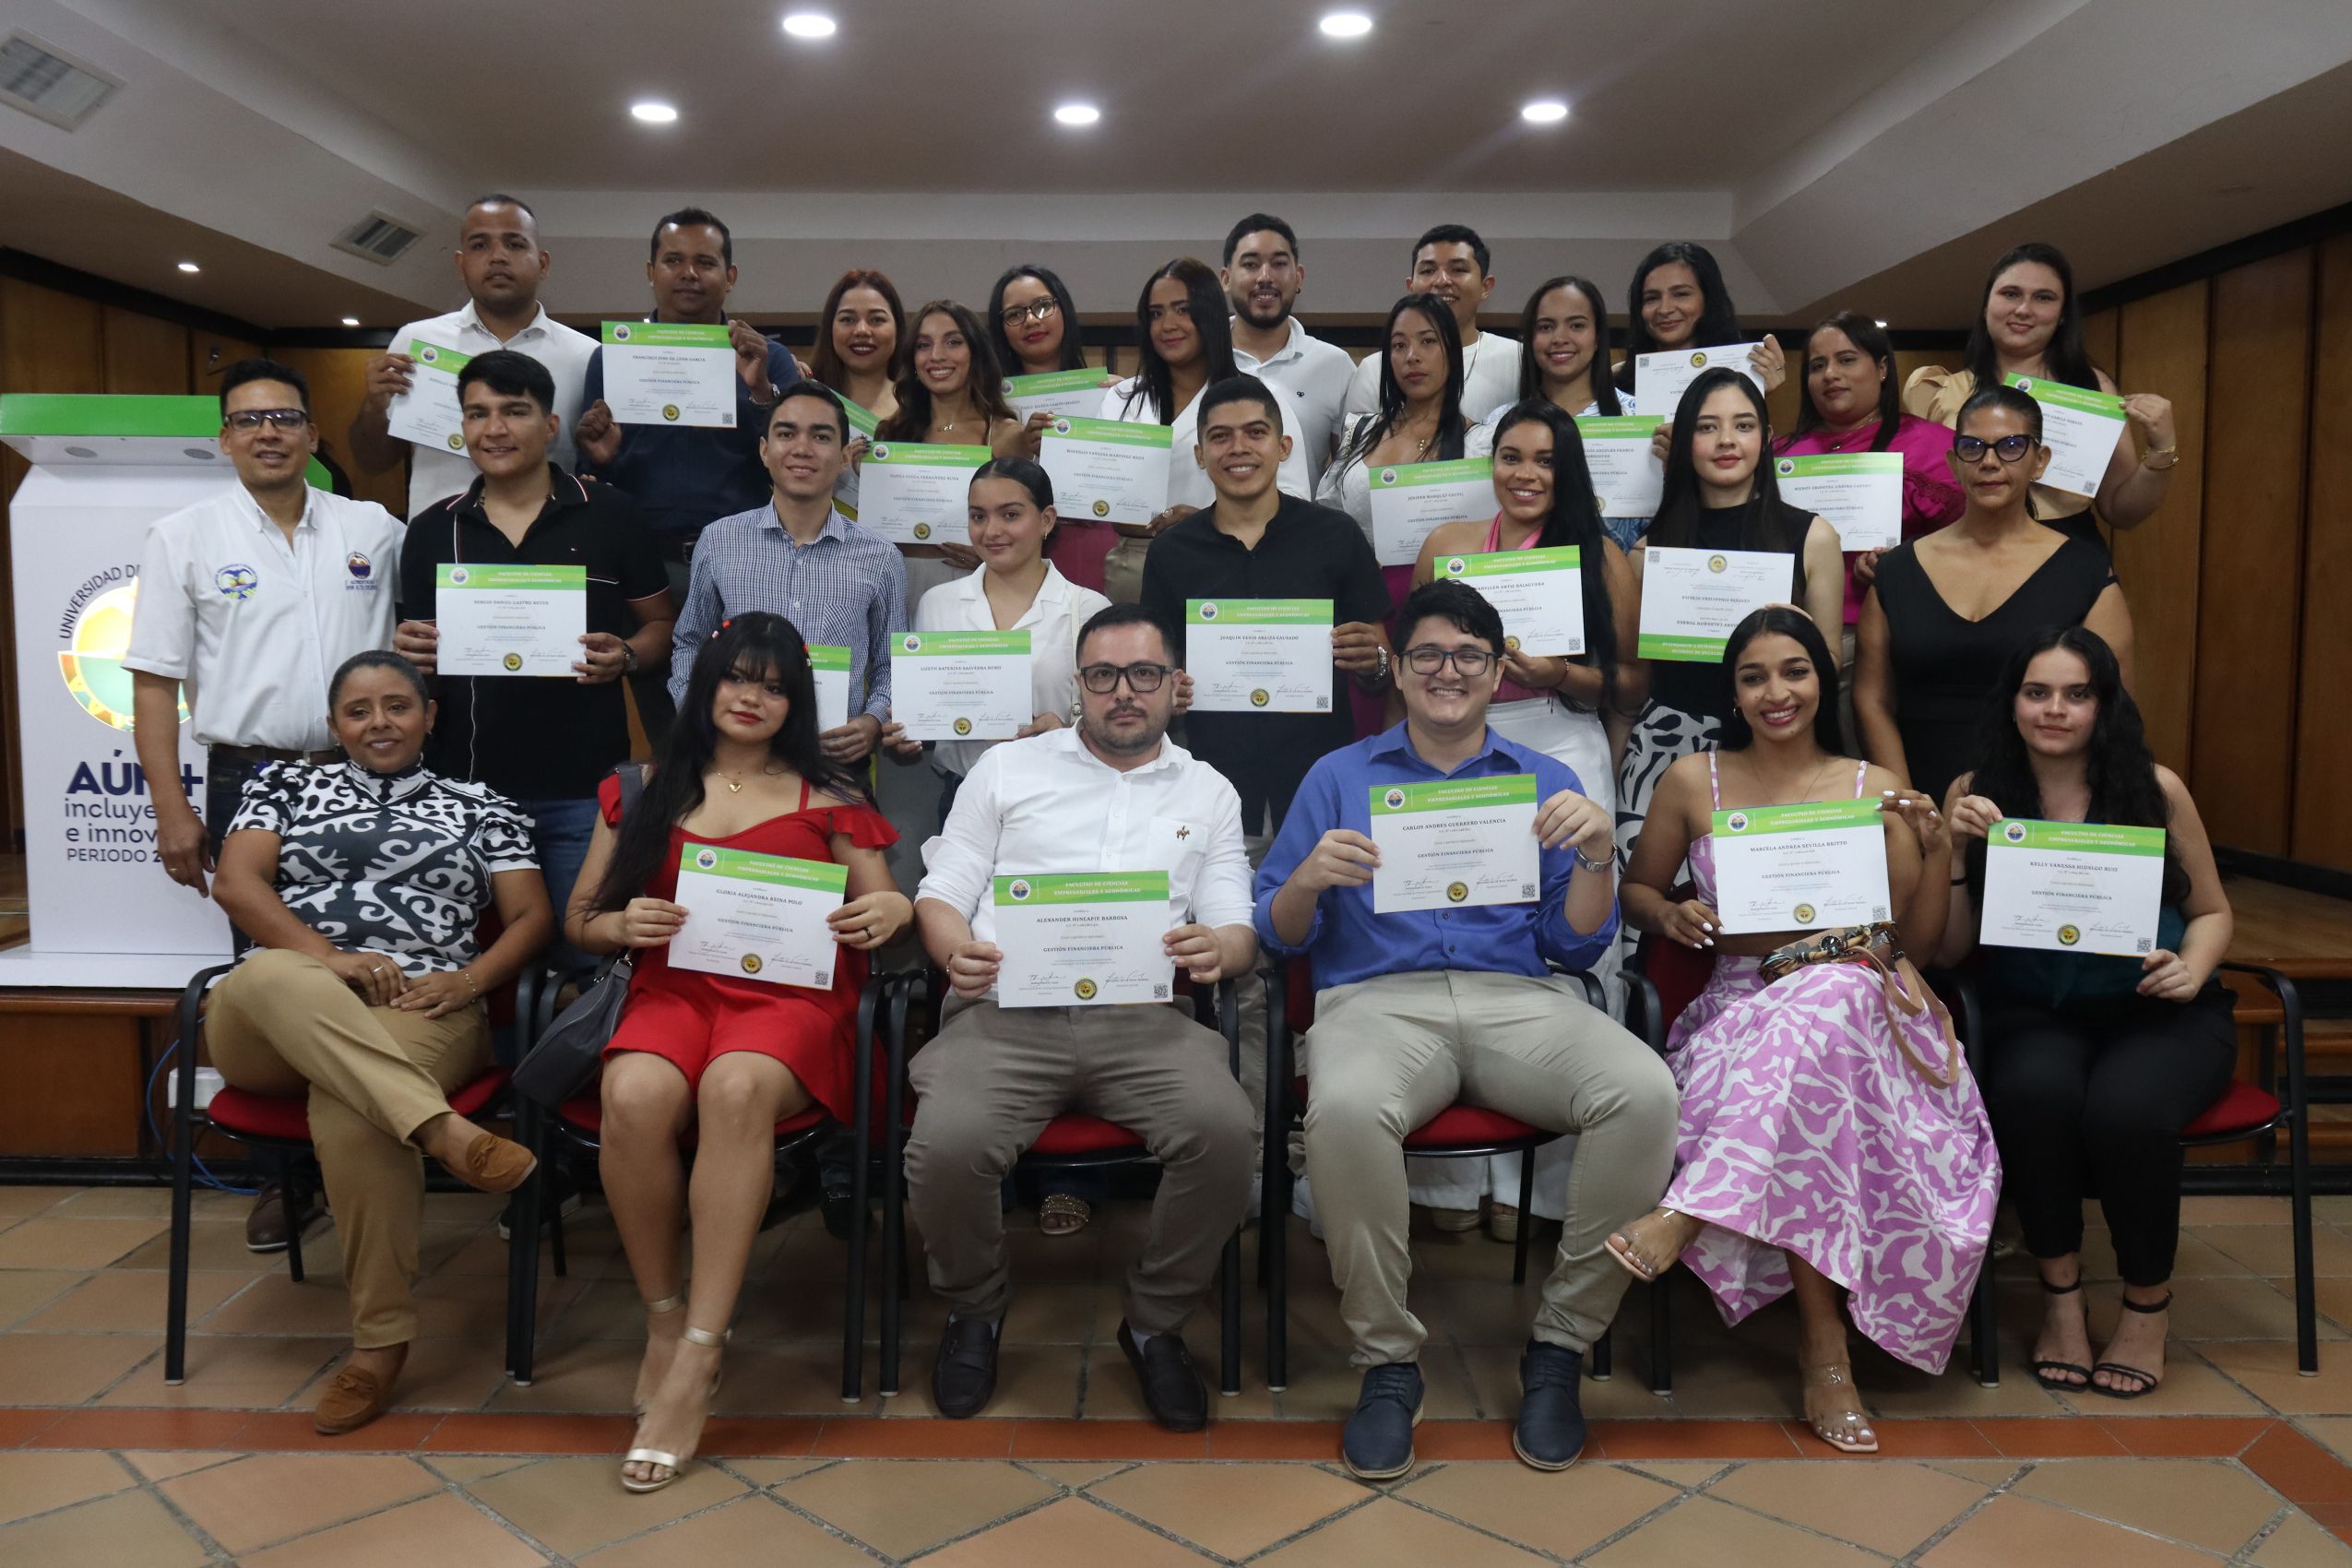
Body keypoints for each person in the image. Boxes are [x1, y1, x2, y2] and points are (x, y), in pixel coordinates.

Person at [1255, 578, 1675, 1478]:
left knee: (1643, 1092)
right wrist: (1306, 881)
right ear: (1399, 672)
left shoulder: (1548, 781)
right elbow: (1277, 933)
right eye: (1429, 655)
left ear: (1496, 672)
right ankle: (1387, 1360)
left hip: (1515, 996)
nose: (1449, 671)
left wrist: (1600, 849)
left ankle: (1561, 1344)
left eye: (1469, 656)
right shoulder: (1339, 776)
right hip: (1375, 1001)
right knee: (1347, 1106)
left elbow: (1577, 940)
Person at [1612, 608, 1998, 1455]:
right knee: (1817, 1026)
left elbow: (1918, 948)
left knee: (1836, 993)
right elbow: (1636, 893)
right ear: (1735, 694)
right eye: (1754, 677)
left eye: (1794, 671)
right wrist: (1671, 914)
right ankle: (1825, 1355)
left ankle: (1689, 1211)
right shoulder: (1691, 782)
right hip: (1740, 1019)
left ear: (1823, 680)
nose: (1776, 691)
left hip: (1872, 1014)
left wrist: (1936, 854)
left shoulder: (1874, 785)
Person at [567, 613, 909, 1491]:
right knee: (636, 1095)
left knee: (733, 1089)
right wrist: (619, 922)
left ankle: (699, 1357)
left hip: (789, 999)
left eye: (774, 686)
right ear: (707, 684)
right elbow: (580, 920)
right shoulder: (643, 787)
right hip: (672, 990)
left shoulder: (831, 797)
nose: (753, 698)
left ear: (795, 702)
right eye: (737, 679)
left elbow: (887, 915)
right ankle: (661, 1315)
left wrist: (891, 914)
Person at [905, 602, 1259, 1432]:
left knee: (1227, 1131)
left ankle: (1154, 1322)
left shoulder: (1208, 791)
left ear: (1176, 686)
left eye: (1142, 675)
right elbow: (942, 890)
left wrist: (1221, 951)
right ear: (1079, 688)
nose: (1123, 693)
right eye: (1103, 677)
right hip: (1004, 1012)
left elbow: (1234, 918)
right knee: (947, 1145)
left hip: (1145, 1020)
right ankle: (976, 1309)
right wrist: (954, 949)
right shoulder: (1008, 769)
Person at [206, 650, 551, 1433]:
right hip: (274, 1019)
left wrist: (467, 983)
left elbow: (531, 917)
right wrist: (329, 960)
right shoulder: (283, 784)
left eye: (398, 706)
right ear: (335, 725)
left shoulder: (482, 804)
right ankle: (439, 1130)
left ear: (430, 716)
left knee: (356, 1108)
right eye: (358, 711)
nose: (379, 723)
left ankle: (377, 1349)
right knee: (264, 975)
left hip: (423, 1005)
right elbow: (237, 883)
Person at [125, 356, 405, 1255]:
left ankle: (373, 1154)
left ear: (314, 435)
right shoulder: (185, 536)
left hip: (370, 773)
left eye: (285, 417)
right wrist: (172, 809)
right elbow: (155, 685)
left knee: (380, 960)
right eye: (248, 421)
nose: (269, 432)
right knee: (272, 982)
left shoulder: (373, 527)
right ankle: (287, 1179)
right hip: (253, 778)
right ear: (225, 439)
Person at [1934, 625, 2234, 1402]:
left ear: (2105, 704)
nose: (2055, 710)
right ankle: (2062, 1298)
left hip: (2156, 1009)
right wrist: (1955, 857)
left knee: (2127, 1112)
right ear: (2014, 703)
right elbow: (1949, 947)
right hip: (2038, 1009)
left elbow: (2212, 913)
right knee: (2036, 1097)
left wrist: (2192, 969)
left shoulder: (2155, 788)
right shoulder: (1976, 791)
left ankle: (2146, 1305)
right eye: (2038, 692)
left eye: (2077, 693)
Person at [1403, 399, 1645, 1239]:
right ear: (1492, 462)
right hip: (1452, 747)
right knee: (1464, 931)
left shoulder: (1600, 554)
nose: (1526, 474)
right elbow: (1414, 658)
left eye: (1544, 459)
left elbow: (1630, 686)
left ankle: (1538, 1192)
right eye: (1511, 456)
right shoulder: (1449, 546)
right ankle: (1451, 1188)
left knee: (1562, 948)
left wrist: (1557, 674)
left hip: (1558, 749)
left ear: (1566, 469)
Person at [390, 348, 672, 967]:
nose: (494, 429)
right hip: (466, 795)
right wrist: (408, 653)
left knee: (586, 966)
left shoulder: (612, 515)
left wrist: (625, 653)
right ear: (460, 427)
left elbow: (661, 630)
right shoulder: (433, 531)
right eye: (477, 413)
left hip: (585, 794)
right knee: (472, 967)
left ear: (549, 426)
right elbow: (414, 665)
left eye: (514, 411)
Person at [1612, 370, 1842, 910]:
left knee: (1775, 909)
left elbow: (1831, 664)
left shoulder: (1812, 535)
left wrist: (1796, 633)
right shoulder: (1648, 552)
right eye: (1707, 427)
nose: (1726, 442)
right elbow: (1632, 681)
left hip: (1780, 750)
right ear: (1683, 440)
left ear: (1764, 438)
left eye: (1742, 425)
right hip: (1664, 749)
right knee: (1654, 918)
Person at [1855, 384, 2134, 810]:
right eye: (1972, 447)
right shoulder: (1896, 572)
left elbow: (2114, 705)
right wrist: (1909, 803)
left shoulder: (2086, 573)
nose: (1989, 461)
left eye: (2010, 446)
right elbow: (1872, 699)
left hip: (2042, 803)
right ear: (1953, 462)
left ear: (2040, 461)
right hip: (1917, 789)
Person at [1140, 375, 1394, 842]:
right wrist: (1165, 692)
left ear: (1283, 447)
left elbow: (1380, 665)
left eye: (1255, 433)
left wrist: (1373, 661)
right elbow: (1157, 667)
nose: (1239, 448)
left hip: (1318, 774)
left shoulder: (1335, 536)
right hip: (1211, 778)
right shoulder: (1171, 552)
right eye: (1220, 436)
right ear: (1200, 455)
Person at [670, 382, 907, 778]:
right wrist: (695, 710)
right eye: (786, 433)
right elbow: (689, 642)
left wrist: (872, 720)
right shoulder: (719, 541)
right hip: (731, 756)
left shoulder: (881, 557)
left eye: (821, 436)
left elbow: (891, 665)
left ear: (845, 456)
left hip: (834, 763)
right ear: (764, 450)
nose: (802, 448)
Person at [574, 208, 803, 587]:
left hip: (744, 561)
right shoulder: (611, 357)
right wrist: (601, 460)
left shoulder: (767, 357)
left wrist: (762, 392)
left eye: (705, 262)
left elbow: (794, 459)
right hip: (639, 560)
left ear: (729, 277)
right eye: (673, 260)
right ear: (651, 272)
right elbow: (591, 475)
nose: (689, 273)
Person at [1903, 243, 2179, 545]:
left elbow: (2120, 510)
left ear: (2062, 315)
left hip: (2067, 556)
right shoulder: (1939, 391)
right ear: (1986, 306)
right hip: (1963, 550)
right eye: (2010, 294)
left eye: (2043, 298)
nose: (2023, 309)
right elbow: (1914, 501)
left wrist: (2160, 449)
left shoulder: (2089, 387)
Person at [347, 195, 598, 521]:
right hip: (441, 546)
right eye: (480, 245)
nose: (498, 257)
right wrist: (374, 407)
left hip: (548, 550)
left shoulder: (586, 355)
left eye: (515, 244)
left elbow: (596, 461)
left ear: (544, 263)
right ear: (460, 263)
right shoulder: (416, 341)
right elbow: (374, 463)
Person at [1099, 257, 1310, 602]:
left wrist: (1206, 521)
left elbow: (1294, 497)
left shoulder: (1256, 396)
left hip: (1231, 564)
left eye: (1182, 310)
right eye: (1156, 314)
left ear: (1210, 314)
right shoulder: (1121, 399)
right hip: (1133, 568)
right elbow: (1099, 498)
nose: (1168, 325)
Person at [1776, 313, 1963, 687]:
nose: (1830, 373)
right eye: (1817, 365)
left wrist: (1902, 562)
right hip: (1787, 637)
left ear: (1881, 369)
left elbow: (1975, 541)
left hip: (1894, 634)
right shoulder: (1780, 453)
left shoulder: (1933, 445)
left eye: (1846, 360)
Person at [1319, 293, 1473, 623]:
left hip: (1450, 610)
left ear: (1452, 352)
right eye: (1399, 346)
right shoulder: (1358, 432)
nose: (1412, 357)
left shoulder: (1481, 442)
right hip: (1361, 605)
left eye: (1428, 341)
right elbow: (1325, 521)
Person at [1468, 278, 1650, 552]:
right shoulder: (1497, 425)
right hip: (1515, 584)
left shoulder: (1640, 418)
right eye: (1545, 327)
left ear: (1598, 336)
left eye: (1577, 325)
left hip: (1616, 582)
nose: (1560, 338)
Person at [873, 299, 1025, 612]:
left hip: (975, 586)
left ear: (975, 352)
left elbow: (1029, 525)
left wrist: (992, 554)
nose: (937, 356)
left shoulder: (1007, 433)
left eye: (953, 342)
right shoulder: (891, 434)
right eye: (923, 345)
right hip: (893, 583)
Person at [1221, 213, 1354, 486]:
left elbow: (1351, 473)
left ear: (1299, 277)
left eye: (1279, 264)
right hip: (1207, 527)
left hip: (1303, 527)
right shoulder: (1199, 358)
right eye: (1251, 264)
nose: (1265, 277)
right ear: (1226, 278)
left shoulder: (1335, 365)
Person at [1343, 224, 1523, 422]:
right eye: (1428, 271)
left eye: (1458, 269)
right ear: (1411, 286)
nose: (1442, 281)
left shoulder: (1518, 359)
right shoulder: (1375, 370)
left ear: (1485, 287)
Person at [1610, 242, 1786, 399]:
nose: (1664, 309)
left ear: (1708, 299)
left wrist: (1753, 397)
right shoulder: (1617, 380)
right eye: (1651, 298)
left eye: (1681, 294)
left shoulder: (1743, 371)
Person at [805, 267, 905, 529]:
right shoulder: (806, 401)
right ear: (830, 328)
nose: (861, 330)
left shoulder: (920, 406)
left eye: (876, 320)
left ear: (897, 328)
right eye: (848, 319)